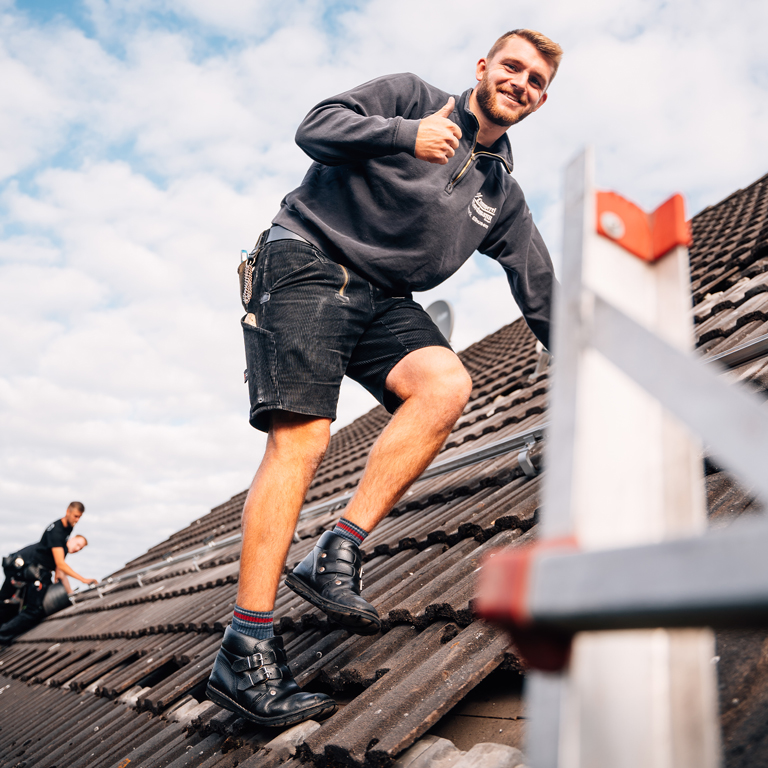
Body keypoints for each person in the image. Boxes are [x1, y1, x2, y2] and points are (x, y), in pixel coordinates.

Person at [207, 29, 562, 726]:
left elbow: (540, 287)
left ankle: (338, 548)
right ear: (485, 68)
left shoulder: (501, 194)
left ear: (541, 101)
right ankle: (245, 650)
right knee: (303, 439)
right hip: (307, 259)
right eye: (513, 67)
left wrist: (587, 366)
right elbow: (315, 128)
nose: (521, 83)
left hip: (384, 300)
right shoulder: (410, 98)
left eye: (537, 82)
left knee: (446, 384)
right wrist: (403, 136)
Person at [0, 502, 97, 644]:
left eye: (79, 518)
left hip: (42, 574)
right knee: (33, 611)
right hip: (37, 574)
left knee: (26, 608)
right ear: (68, 511)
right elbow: (60, 564)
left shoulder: (67, 529)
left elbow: (59, 568)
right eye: (75, 516)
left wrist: (69, 591)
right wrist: (83, 580)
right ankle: (3, 636)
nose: (77, 520)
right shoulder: (57, 531)